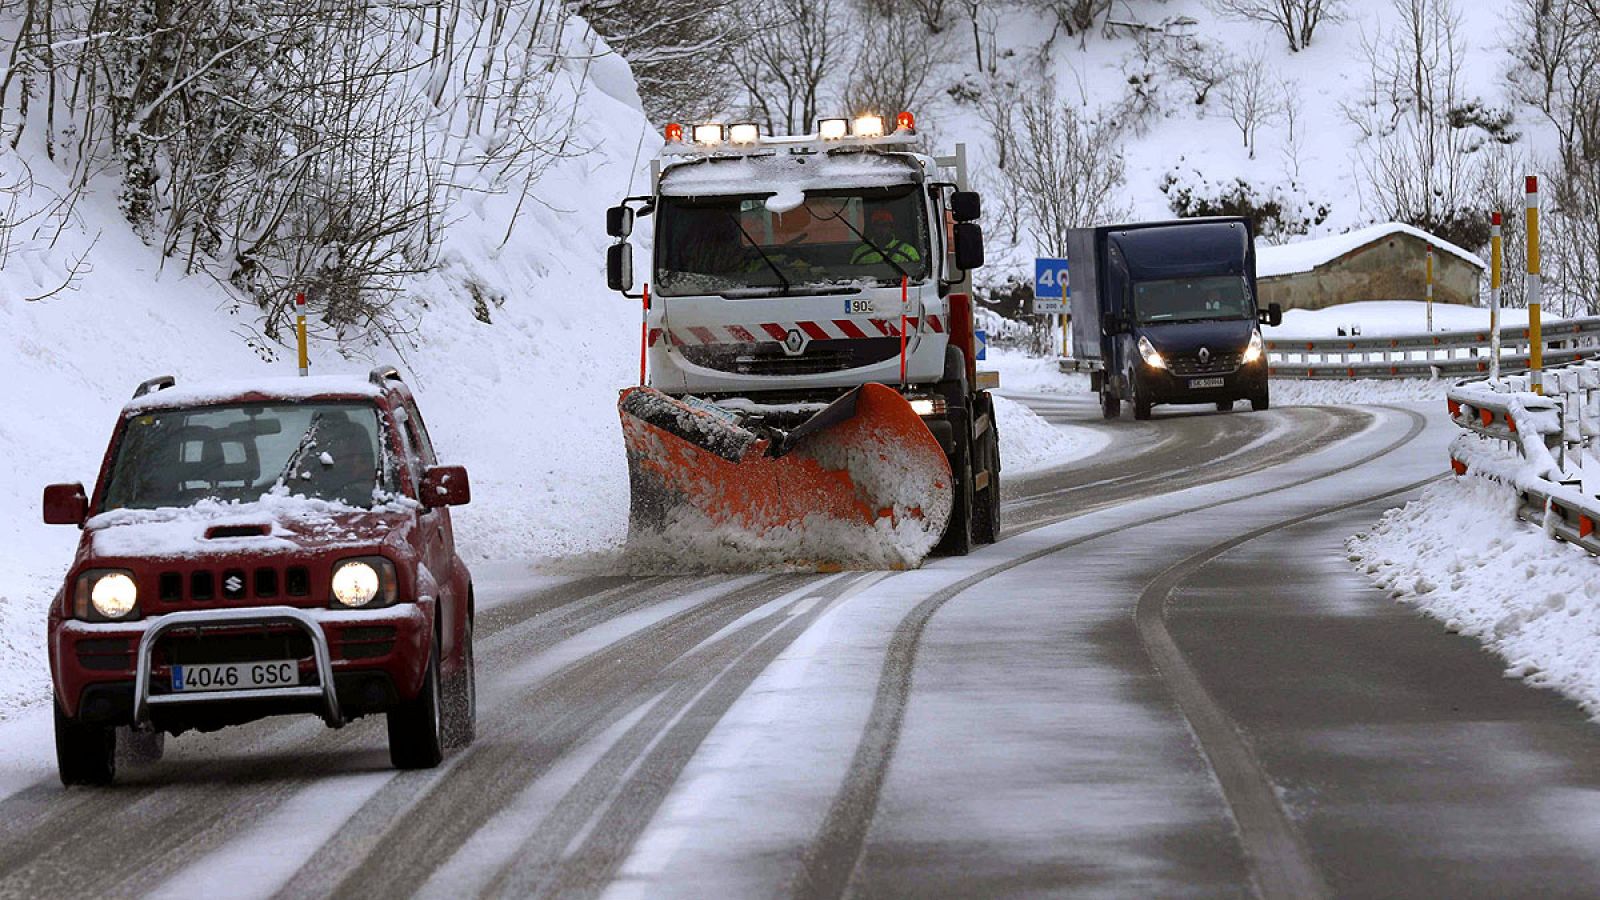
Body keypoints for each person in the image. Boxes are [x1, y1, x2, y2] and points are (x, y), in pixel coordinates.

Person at [851, 208, 922, 268]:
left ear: (891, 228)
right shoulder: (860, 253)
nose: (881, 229)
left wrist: (904, 284)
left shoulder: (908, 251)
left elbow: (916, 276)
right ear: (872, 228)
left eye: (885, 225)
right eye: (878, 225)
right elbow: (853, 278)